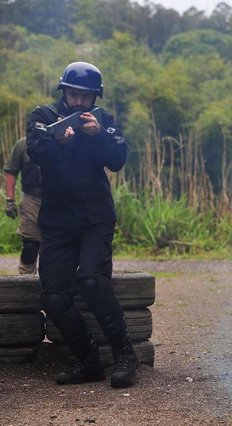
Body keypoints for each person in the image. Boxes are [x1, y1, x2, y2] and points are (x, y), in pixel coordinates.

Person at [26, 61, 137, 387]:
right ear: (64, 91)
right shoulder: (43, 117)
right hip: (58, 219)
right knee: (55, 296)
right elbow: (35, 152)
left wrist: (98, 136)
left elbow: (117, 159)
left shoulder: (104, 120)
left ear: (94, 97)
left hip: (94, 216)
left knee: (91, 280)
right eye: (73, 94)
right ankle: (88, 362)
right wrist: (58, 139)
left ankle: (125, 354)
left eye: (85, 97)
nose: (78, 102)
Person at [3, 136, 42, 274]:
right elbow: (11, 171)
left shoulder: (64, 138)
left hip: (60, 201)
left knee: (60, 246)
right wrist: (10, 200)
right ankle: (26, 282)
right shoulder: (23, 144)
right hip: (32, 200)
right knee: (30, 245)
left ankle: (57, 286)